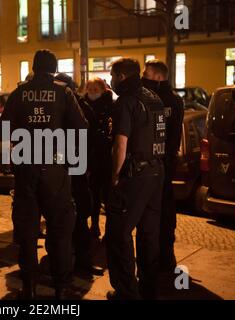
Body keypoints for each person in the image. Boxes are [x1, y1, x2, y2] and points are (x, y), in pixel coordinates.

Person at [0, 50, 87, 299]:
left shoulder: (19, 93)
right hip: (55, 168)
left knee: (27, 231)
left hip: (26, 167)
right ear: (53, 68)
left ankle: (29, 286)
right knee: (59, 229)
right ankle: (61, 287)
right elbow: (81, 127)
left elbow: (3, 132)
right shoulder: (63, 93)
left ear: (35, 68)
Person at [106, 58, 166, 300]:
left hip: (135, 174)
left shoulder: (126, 102)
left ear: (121, 76)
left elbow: (121, 144)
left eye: (112, 75)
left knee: (118, 233)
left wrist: (114, 176)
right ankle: (149, 288)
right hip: (157, 173)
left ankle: (127, 292)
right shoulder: (154, 98)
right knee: (148, 234)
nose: (111, 80)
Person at [55, 73, 103, 277]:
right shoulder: (59, 106)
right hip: (62, 169)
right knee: (62, 218)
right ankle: (64, 262)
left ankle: (80, 260)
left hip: (75, 169)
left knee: (80, 215)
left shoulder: (82, 108)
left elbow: (93, 140)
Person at [142, 60, 184, 274]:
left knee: (152, 211)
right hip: (168, 163)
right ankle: (167, 255)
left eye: (146, 74)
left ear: (158, 77)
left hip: (153, 162)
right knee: (167, 210)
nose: (143, 77)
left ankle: (154, 258)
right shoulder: (176, 100)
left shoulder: (151, 98)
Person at [84, 78, 115, 239]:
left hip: (106, 157)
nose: (93, 91)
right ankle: (94, 225)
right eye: (90, 88)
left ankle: (110, 229)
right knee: (93, 194)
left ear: (103, 90)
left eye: (96, 89)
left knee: (108, 195)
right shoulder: (83, 105)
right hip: (91, 156)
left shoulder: (111, 105)